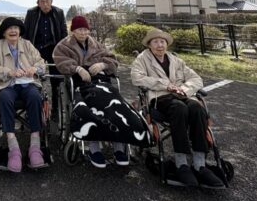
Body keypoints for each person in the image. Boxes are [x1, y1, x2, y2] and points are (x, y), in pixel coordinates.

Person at [130, 28, 224, 188]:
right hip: (160, 98)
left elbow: (196, 79)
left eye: (162, 42)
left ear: (166, 44)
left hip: (183, 95)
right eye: (155, 42)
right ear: (149, 45)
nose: (160, 45)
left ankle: (200, 164)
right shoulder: (142, 59)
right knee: (179, 108)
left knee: (197, 108)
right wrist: (166, 85)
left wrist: (185, 89)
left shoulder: (175, 59)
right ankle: (182, 164)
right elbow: (136, 78)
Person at [53, 15, 149, 168]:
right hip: (81, 85)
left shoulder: (96, 44)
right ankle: (94, 149)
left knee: (117, 107)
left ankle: (119, 147)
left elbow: (112, 59)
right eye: (79, 30)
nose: (83, 33)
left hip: (103, 83)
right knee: (90, 108)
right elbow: (60, 61)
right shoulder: (63, 46)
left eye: (85, 30)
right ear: (72, 31)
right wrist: (77, 68)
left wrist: (103, 65)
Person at [0, 17, 48, 172]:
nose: (13, 31)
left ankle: (35, 145)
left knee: (35, 97)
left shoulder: (27, 45)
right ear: (4, 32)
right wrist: (9, 72)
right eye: (9, 28)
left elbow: (42, 64)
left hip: (28, 84)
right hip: (8, 85)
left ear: (20, 31)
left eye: (16, 28)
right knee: (4, 98)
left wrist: (35, 69)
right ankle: (13, 147)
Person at [24, 0, 67, 115]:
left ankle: (55, 109)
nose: (45, 4)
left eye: (47, 1)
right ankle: (33, 107)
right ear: (37, 3)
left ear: (51, 2)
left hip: (54, 48)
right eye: (42, 2)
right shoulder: (31, 13)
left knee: (56, 80)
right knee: (33, 77)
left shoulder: (58, 12)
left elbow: (63, 32)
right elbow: (26, 32)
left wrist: (63, 48)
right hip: (36, 49)